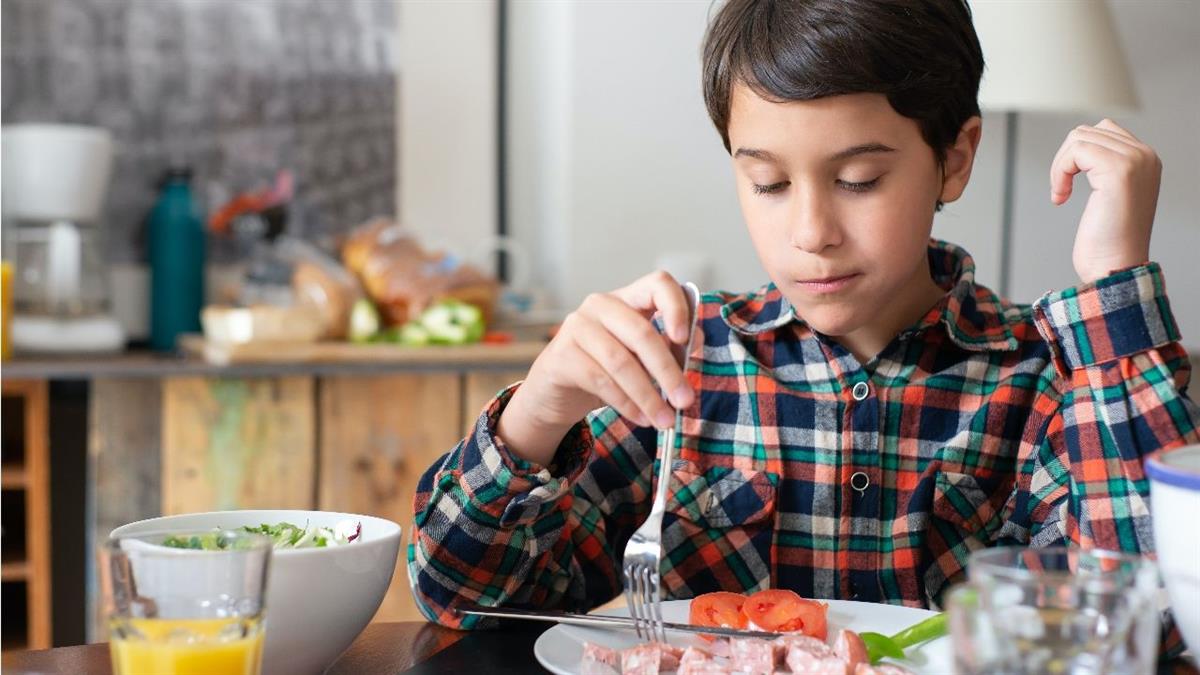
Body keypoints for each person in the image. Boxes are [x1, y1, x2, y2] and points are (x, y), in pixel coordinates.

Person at [407, 0, 1198, 647]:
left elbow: (1156, 624)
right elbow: (461, 596)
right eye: (768, 182)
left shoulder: (1055, 375)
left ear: (955, 159)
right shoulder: (686, 364)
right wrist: (538, 413)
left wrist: (1114, 289)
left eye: (858, 179)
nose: (811, 230)